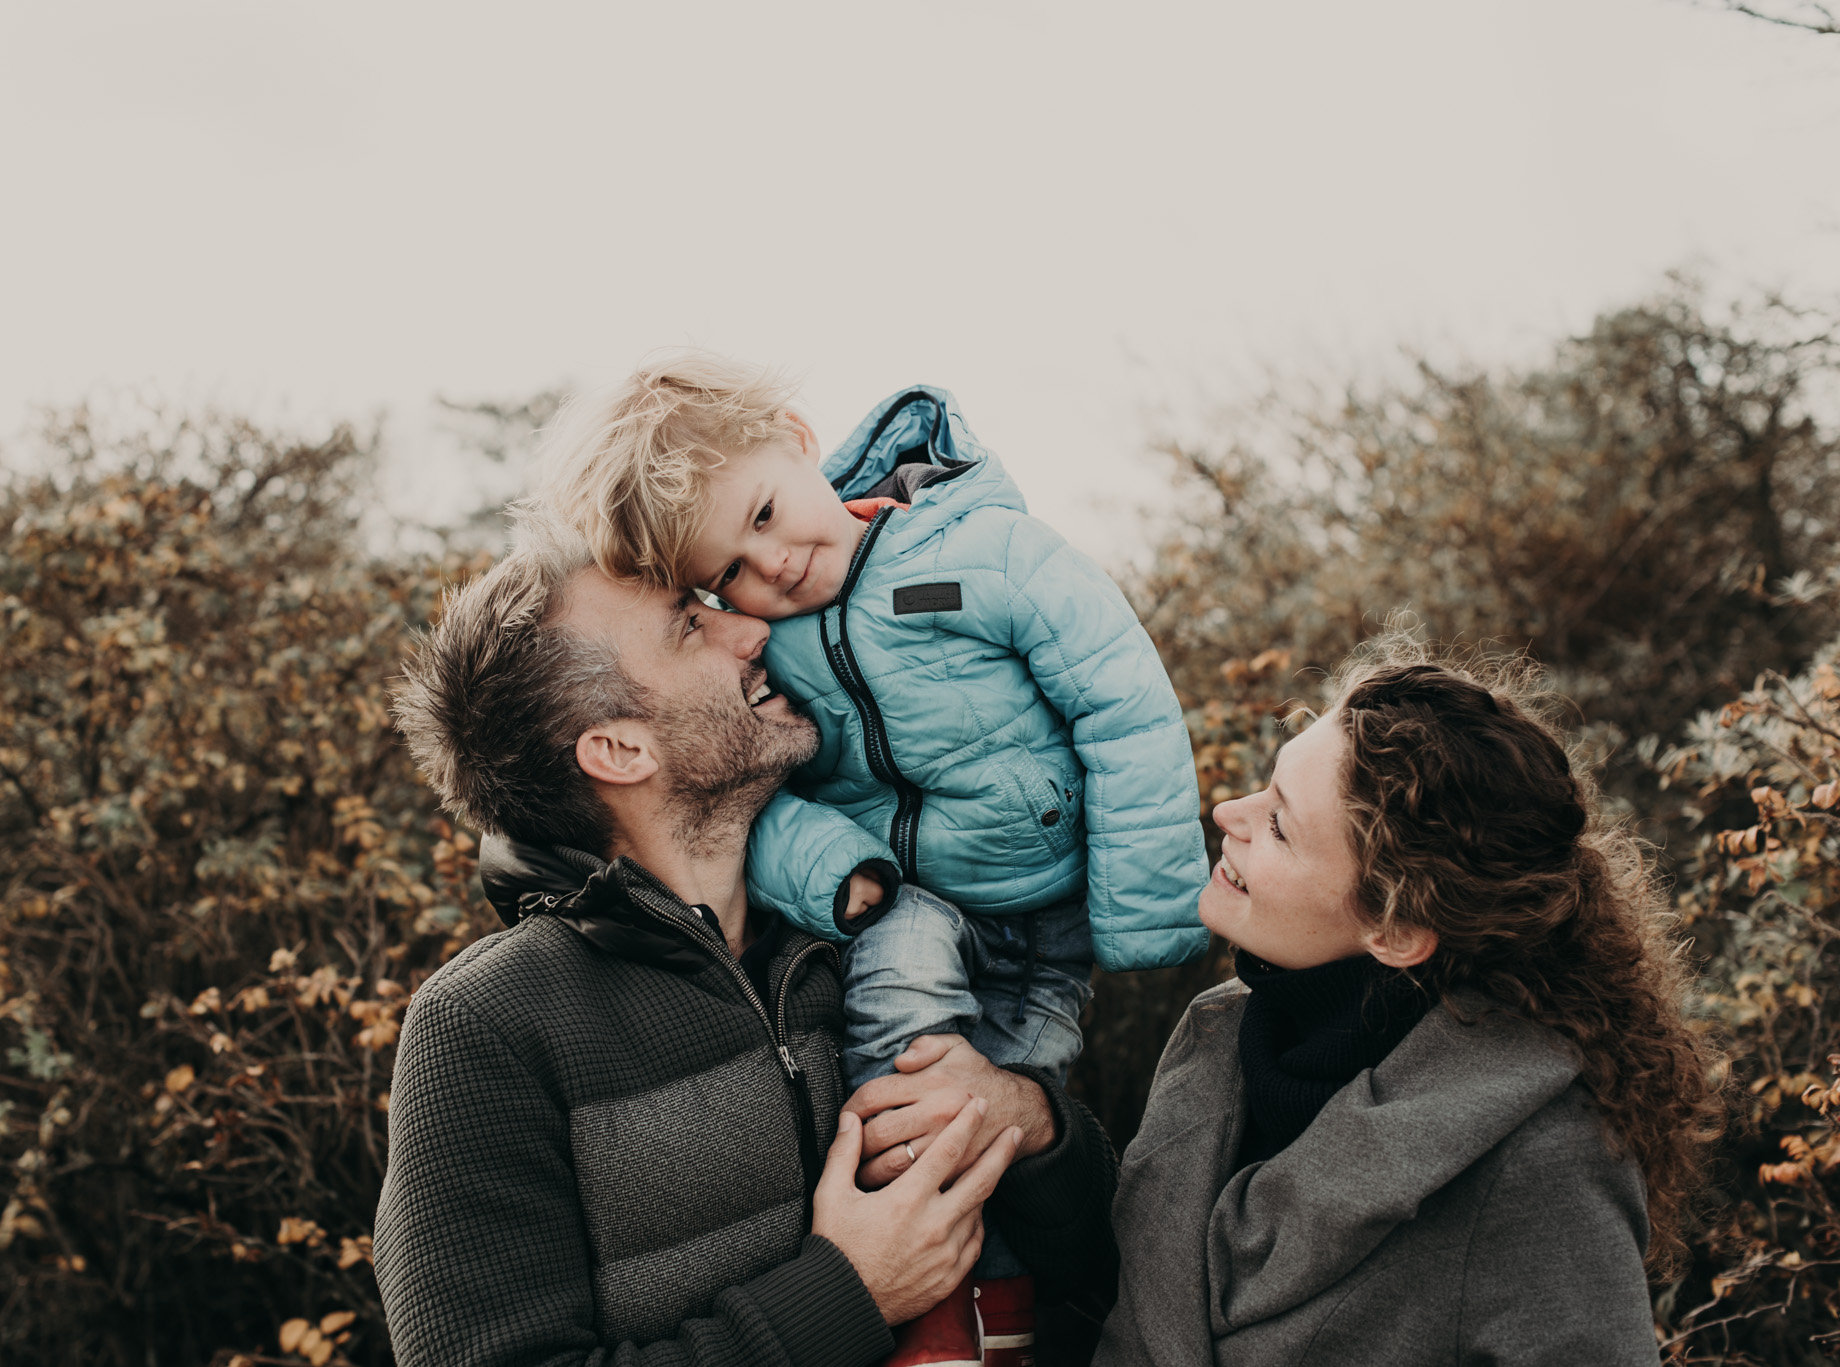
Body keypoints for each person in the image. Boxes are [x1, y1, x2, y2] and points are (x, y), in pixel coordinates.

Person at [537, 356, 1204, 1313]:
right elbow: (755, 795)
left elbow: (1124, 705)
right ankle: (931, 1285)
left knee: (1023, 1080)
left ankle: (1006, 1299)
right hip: (909, 897)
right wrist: (840, 871)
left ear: (800, 443)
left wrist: (1147, 909)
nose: (770, 567)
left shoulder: (991, 553)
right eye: (728, 571)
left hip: (1049, 901)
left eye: (764, 514)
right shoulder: (772, 642)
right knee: (912, 1061)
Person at [375, 516, 1117, 1367]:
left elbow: (1108, 1260)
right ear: (619, 748)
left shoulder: (883, 922)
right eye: (692, 624)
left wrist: (1033, 1128)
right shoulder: (485, 1027)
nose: (753, 627)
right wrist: (847, 1292)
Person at [1056, 639, 1722, 1366]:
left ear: (1396, 927)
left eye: (1279, 824)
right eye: (1266, 788)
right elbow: (1130, 1304)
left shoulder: (1542, 1155)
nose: (1227, 811)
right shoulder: (1218, 1038)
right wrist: (1041, 1146)